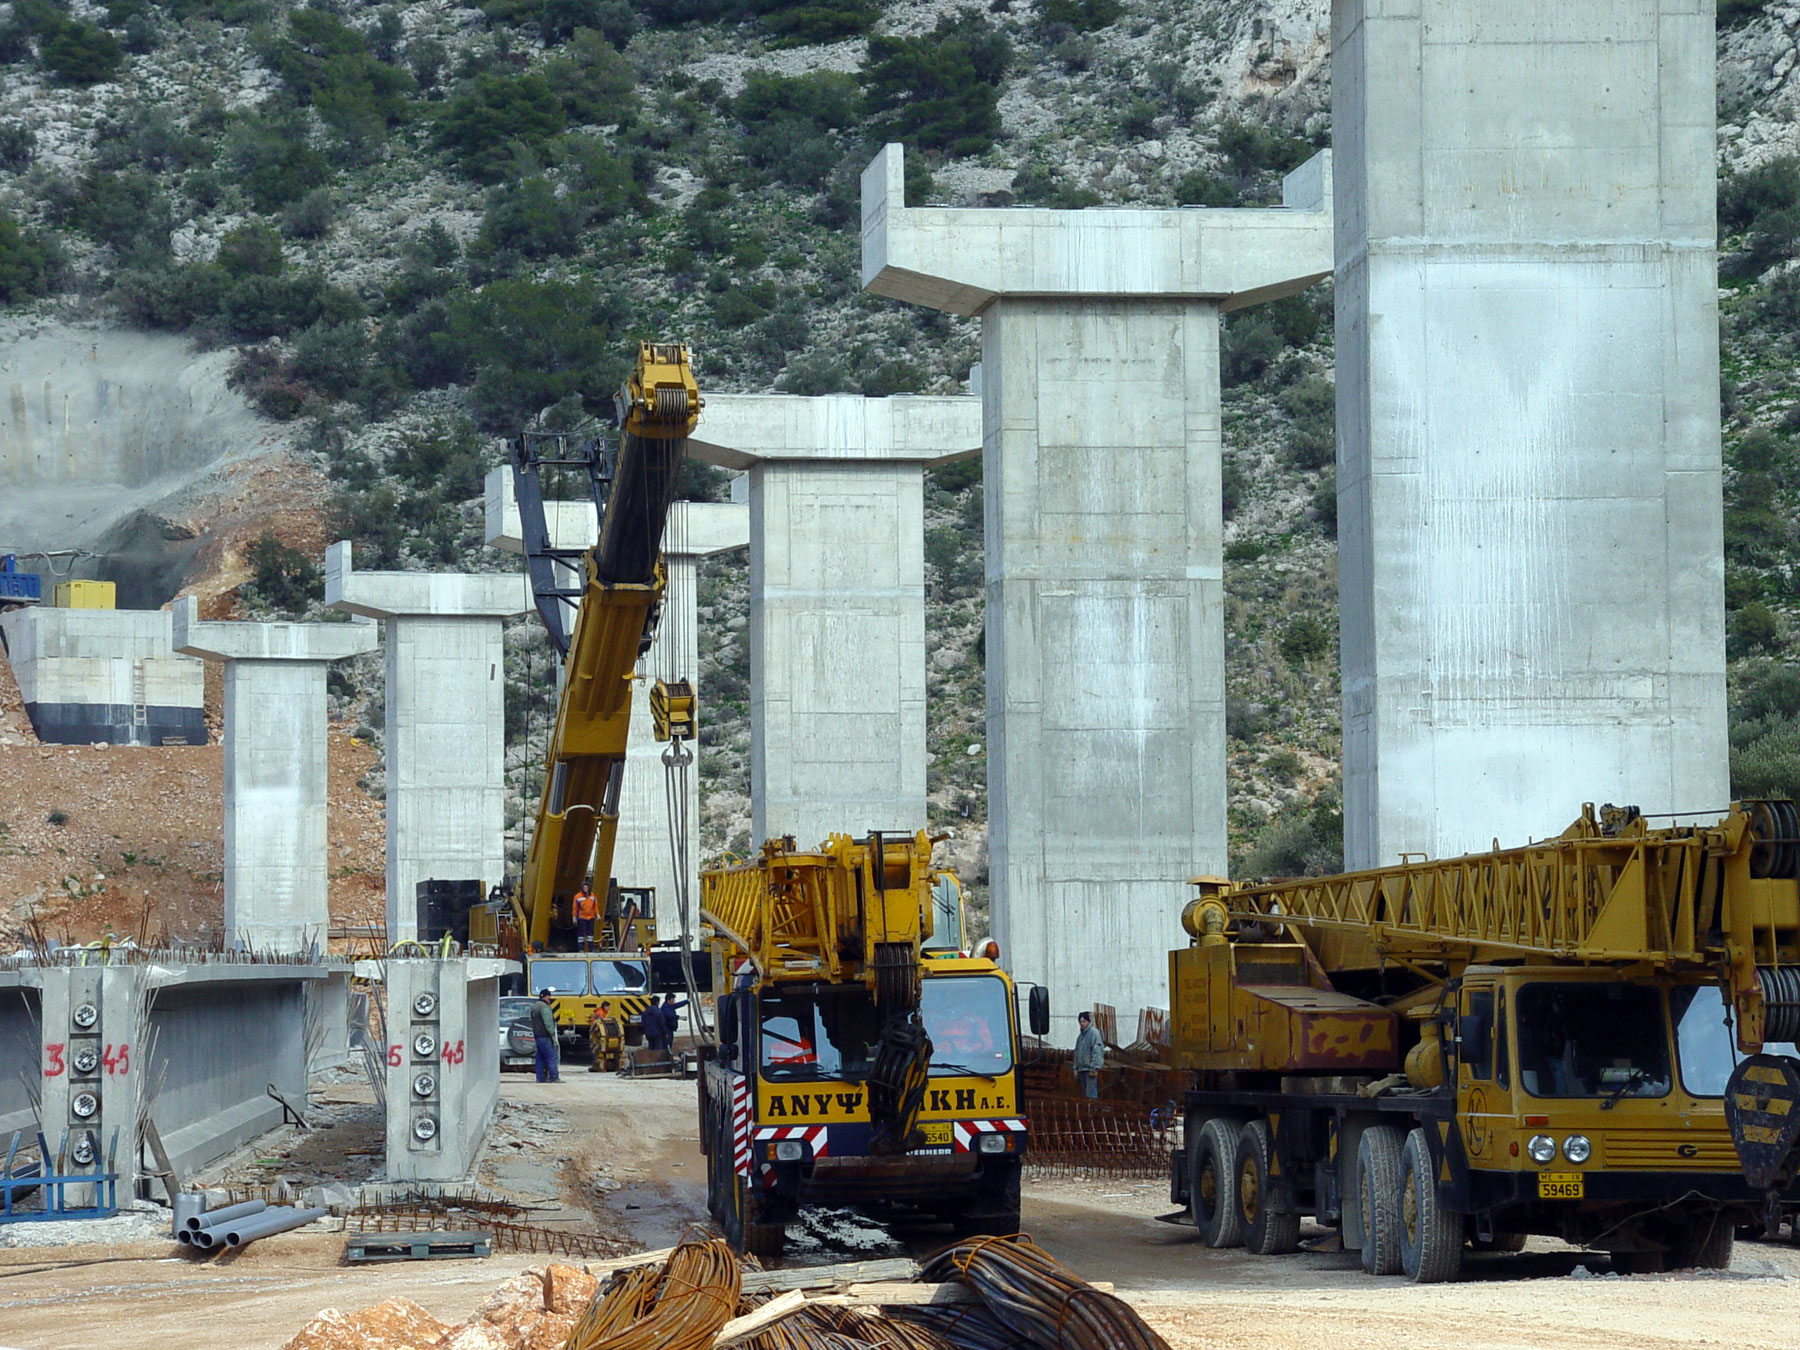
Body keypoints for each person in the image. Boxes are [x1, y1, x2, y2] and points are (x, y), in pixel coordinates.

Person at [531, 988, 561, 1083]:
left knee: (540, 1058)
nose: (550, 999)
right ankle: (553, 1077)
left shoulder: (534, 1006)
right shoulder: (544, 1007)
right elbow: (548, 1022)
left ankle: (540, 1078)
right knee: (551, 1056)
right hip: (545, 1035)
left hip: (537, 1035)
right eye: (549, 997)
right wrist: (552, 1034)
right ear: (545, 996)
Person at [1073, 1010, 1104, 1099]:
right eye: (1080, 1021)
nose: (1082, 1023)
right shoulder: (1080, 1037)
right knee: (1085, 1094)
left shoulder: (1094, 1033)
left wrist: (1094, 1068)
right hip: (1081, 1069)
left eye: (1084, 1021)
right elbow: (1077, 1052)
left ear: (1089, 1022)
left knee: (1091, 1094)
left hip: (1089, 1069)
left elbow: (1097, 1051)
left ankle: (1092, 1110)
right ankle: (1088, 1111)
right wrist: (1076, 1068)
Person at [573, 883, 598, 951]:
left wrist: (597, 914)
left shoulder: (592, 896)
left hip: (591, 917)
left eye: (586, 887)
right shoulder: (577, 896)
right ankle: (580, 948)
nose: (585, 889)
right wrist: (574, 917)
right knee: (581, 933)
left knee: (590, 933)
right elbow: (575, 908)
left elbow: (595, 906)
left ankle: (591, 948)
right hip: (582, 917)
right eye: (584, 888)